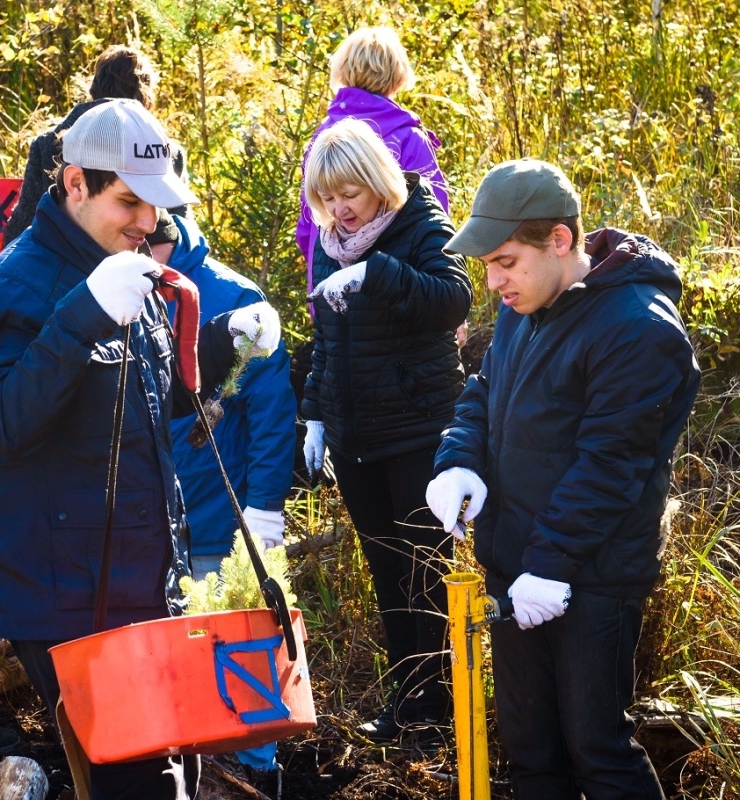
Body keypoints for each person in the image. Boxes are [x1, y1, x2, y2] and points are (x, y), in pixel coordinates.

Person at [0, 98, 280, 800]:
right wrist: (83, 315)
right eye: (128, 201)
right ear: (74, 183)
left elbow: (148, 398)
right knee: (144, 784)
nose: (145, 223)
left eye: (155, 206)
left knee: (179, 770)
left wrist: (227, 338)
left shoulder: (123, 264)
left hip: (141, 580)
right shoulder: (16, 284)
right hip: (68, 594)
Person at [425, 158, 700, 799]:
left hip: (592, 577)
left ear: (560, 240)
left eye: (505, 261)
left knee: (597, 750)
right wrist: (458, 459)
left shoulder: (638, 328)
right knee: (530, 751)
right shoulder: (528, 303)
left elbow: (611, 465)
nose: (493, 281)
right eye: (487, 265)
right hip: (516, 564)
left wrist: (550, 564)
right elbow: (483, 392)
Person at [300, 117, 472, 745]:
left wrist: (380, 275)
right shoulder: (329, 240)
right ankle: (409, 699)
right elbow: (327, 338)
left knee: (426, 569)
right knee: (385, 570)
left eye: (349, 194)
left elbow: (454, 299)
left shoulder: (419, 220)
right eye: (327, 197)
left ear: (376, 182)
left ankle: (443, 708)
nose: (339, 210)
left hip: (418, 429)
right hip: (354, 437)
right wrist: (316, 414)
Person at [147, 211, 296, 776]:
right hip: (153, 525)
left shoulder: (231, 296)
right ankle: (190, 772)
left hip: (219, 519)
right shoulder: (111, 286)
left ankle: (255, 771)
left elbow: (271, 413)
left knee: (240, 649)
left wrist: (262, 509)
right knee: (175, 664)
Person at [296, 25, 449, 300]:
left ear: (342, 70)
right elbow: (436, 218)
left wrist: (318, 278)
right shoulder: (408, 137)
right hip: (399, 293)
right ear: (397, 76)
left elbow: (308, 226)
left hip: (330, 292)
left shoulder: (324, 137)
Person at [4, 44, 188, 244]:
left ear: (95, 87)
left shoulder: (48, 144)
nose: (149, 222)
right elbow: (183, 235)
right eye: (129, 201)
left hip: (55, 264)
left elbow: (20, 229)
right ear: (146, 94)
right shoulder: (167, 152)